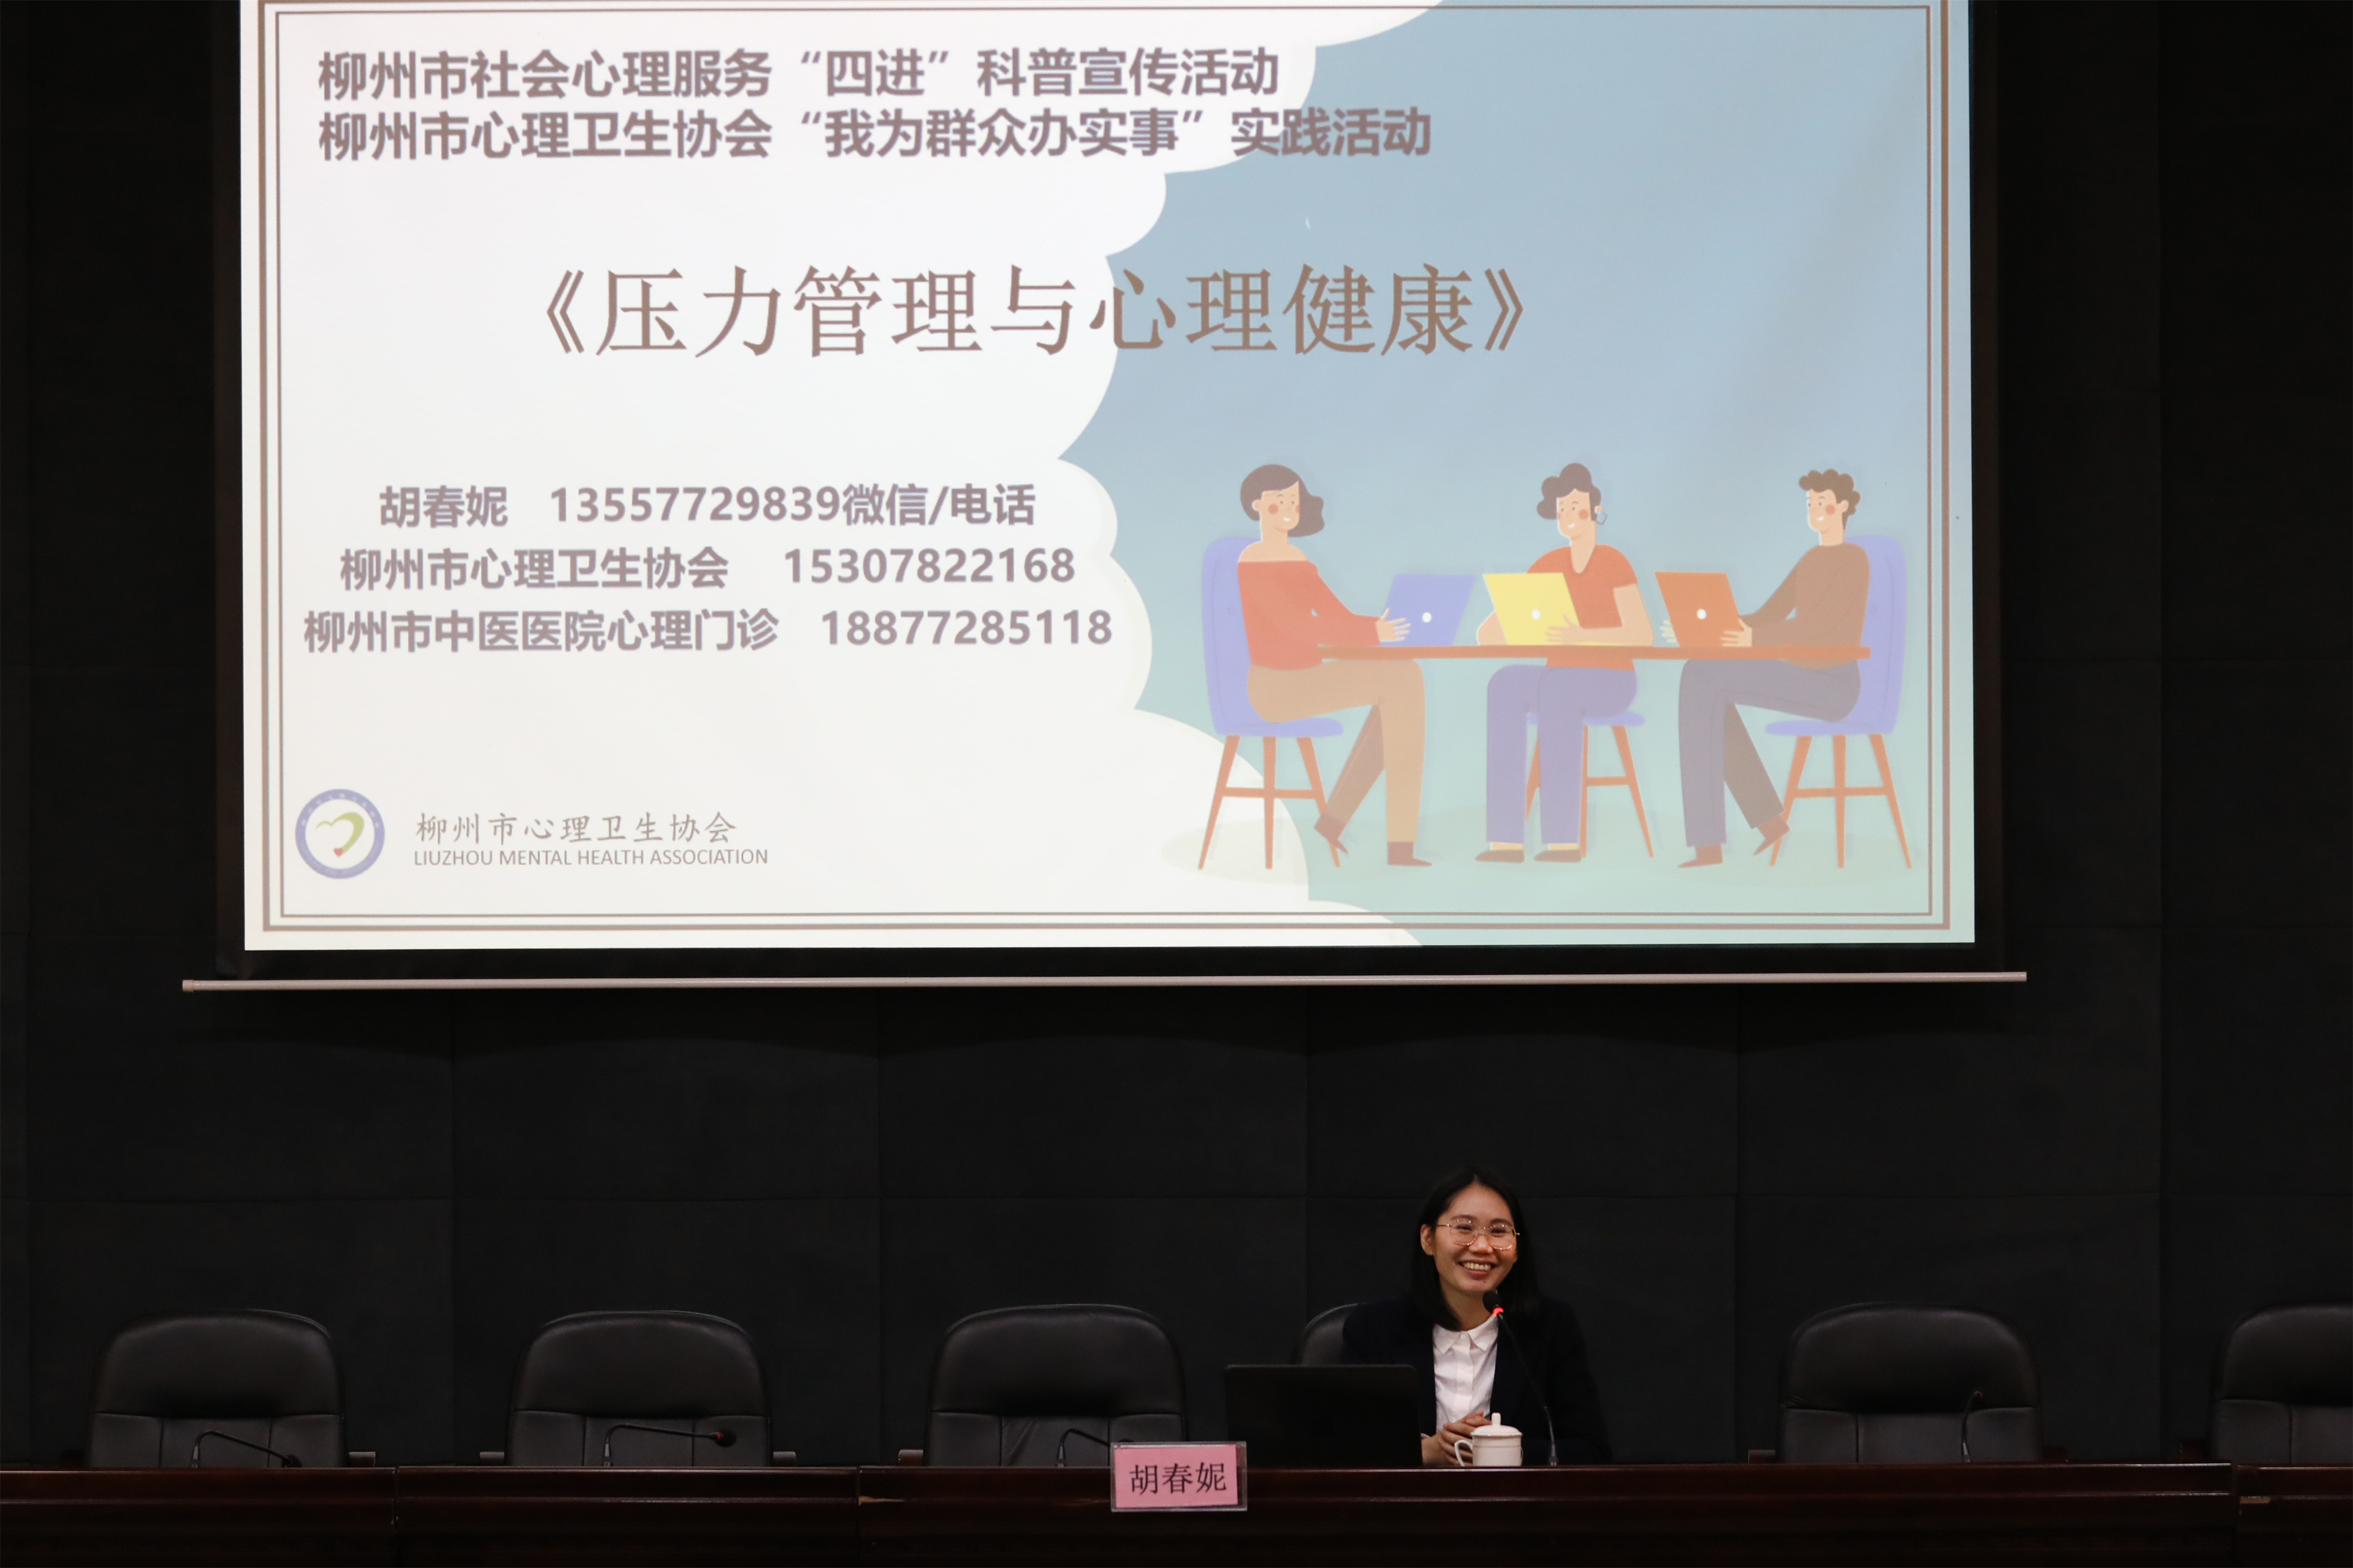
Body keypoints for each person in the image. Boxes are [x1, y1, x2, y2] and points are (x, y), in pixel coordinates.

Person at [1339, 1166, 1611, 1465]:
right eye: (1464, 1228)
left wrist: (1506, 1452)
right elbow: (1340, 1449)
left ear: (1516, 1249)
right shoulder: (1373, 1328)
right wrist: (1424, 1453)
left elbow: (1592, 1452)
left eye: (1499, 1231)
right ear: (1428, 1239)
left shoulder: (1550, 1327)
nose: (1482, 1247)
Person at [1234, 462, 1430, 867]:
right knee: (1402, 683)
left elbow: (1334, 616)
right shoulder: (1252, 562)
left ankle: (1382, 836)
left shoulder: (1298, 560)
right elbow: (1297, 626)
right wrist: (1374, 633)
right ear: (1257, 506)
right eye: (1279, 501)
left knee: (1405, 675)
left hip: (1308, 676)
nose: (1289, 509)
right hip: (1275, 687)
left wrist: (1385, 628)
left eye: (1294, 501)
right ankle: (1384, 839)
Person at [1676, 468, 1871, 867]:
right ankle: (1759, 825)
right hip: (1801, 675)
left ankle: (1714, 841)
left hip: (1833, 683)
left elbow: (1820, 625)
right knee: (1701, 676)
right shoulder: (1810, 560)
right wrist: (1708, 627)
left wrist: (1754, 639)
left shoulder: (1854, 559)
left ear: (1843, 506)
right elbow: (1770, 615)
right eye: (1810, 503)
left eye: (1822, 502)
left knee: (1702, 677)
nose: (1814, 509)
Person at [1474, 463, 1654, 863]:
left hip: (1611, 680)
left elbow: (1642, 634)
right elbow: (1489, 633)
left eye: (1575, 506)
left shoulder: (1614, 561)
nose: (1568, 515)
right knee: (1504, 682)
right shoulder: (1547, 564)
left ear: (1596, 509)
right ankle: (1505, 840)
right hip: (1558, 677)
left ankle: (1563, 841)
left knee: (1558, 690)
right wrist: (1514, 622)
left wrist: (1583, 637)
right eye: (1561, 509)